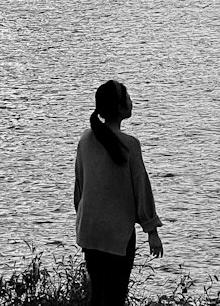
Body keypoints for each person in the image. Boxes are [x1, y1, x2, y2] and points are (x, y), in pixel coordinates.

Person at [74, 80, 163, 306]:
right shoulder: (130, 145)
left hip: (90, 230)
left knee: (98, 296)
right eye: (128, 96)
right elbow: (142, 189)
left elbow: (79, 186)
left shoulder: (85, 139)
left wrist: (85, 217)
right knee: (115, 297)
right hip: (118, 234)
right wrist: (151, 231)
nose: (131, 100)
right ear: (120, 107)